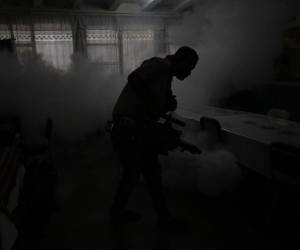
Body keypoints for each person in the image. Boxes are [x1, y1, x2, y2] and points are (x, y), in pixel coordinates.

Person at [109, 46, 199, 229]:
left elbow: (155, 104)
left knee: (143, 174)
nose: (189, 74)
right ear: (180, 60)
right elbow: (134, 78)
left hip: (136, 129)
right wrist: (153, 102)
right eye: (189, 68)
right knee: (143, 173)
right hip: (129, 128)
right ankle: (161, 218)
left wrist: (167, 102)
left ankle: (122, 212)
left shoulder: (166, 78)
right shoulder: (160, 65)